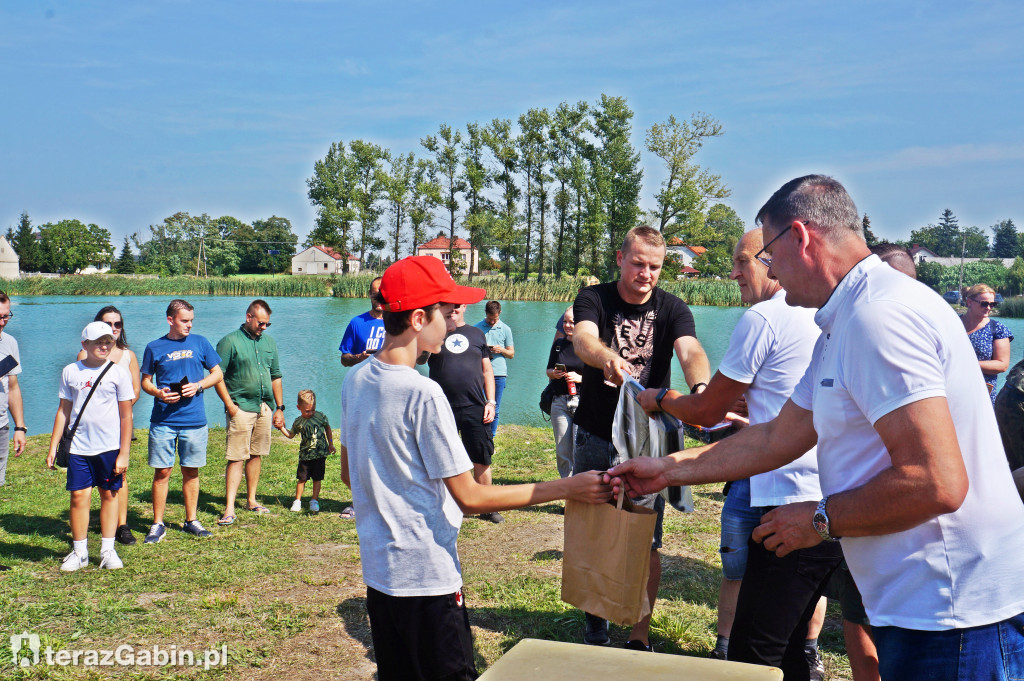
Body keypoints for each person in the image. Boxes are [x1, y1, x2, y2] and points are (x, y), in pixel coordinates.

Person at [608, 175, 1024, 681]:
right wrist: (666, 470)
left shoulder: (879, 317)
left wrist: (820, 519)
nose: (770, 270)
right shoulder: (843, 321)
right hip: (923, 603)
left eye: (768, 255)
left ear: (801, 237)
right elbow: (774, 437)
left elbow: (937, 480)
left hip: (952, 612)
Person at [338, 255, 612, 681]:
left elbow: (347, 474)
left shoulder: (354, 381)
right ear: (416, 318)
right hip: (428, 577)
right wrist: (569, 487)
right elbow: (471, 497)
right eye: (444, 312)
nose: (450, 321)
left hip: (379, 573)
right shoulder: (423, 393)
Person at [637, 228, 833, 679]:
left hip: (785, 501)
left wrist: (662, 397)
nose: (734, 272)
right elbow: (795, 406)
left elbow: (706, 411)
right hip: (831, 498)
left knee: (754, 657)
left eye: (742, 261)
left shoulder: (764, 317)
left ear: (770, 260)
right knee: (791, 644)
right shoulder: (824, 317)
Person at [572, 225, 711, 651]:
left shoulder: (673, 308)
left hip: (647, 440)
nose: (646, 273)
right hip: (596, 432)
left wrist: (702, 391)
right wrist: (608, 358)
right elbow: (583, 340)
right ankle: (597, 621)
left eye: (654, 266)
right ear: (620, 258)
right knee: (597, 530)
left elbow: (690, 350)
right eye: (637, 263)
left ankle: (639, 632)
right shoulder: (594, 297)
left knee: (645, 539)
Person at [47, 322, 135, 571]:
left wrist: (124, 453)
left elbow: (126, 416)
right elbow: (64, 411)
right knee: (78, 496)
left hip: (109, 447)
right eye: (98, 342)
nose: (104, 346)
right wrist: (54, 445)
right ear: (84, 345)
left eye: (108, 341)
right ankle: (79, 551)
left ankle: (108, 550)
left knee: (109, 495)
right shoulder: (70, 371)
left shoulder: (119, 372)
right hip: (78, 447)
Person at [141, 299, 224, 543]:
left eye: (191, 321)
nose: (189, 325)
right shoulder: (154, 347)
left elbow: (217, 373)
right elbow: (145, 381)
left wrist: (198, 386)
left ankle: (192, 520)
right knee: (162, 471)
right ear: (170, 320)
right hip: (163, 420)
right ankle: (158, 524)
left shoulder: (201, 342)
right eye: (184, 321)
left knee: (191, 470)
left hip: (194, 420)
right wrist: (158, 393)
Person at [427, 303, 501, 523]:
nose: (454, 310)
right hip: (442, 407)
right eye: (449, 306)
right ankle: (445, 504)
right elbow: (419, 359)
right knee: (440, 457)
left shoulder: (477, 333)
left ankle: (487, 506)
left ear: (465, 307)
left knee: (481, 456)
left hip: (474, 406)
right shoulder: (434, 333)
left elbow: (487, 370)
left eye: (458, 306)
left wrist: (491, 402)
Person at [215, 299, 285, 523]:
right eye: (261, 323)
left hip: (264, 407)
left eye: (267, 324)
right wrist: (229, 405)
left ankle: (252, 500)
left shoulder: (270, 343)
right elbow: (218, 376)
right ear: (249, 317)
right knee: (236, 457)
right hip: (240, 407)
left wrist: (279, 407)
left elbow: (276, 376)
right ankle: (229, 508)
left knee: (256, 454)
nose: (264, 327)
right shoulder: (229, 342)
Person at [77, 306, 141, 545]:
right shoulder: (83, 356)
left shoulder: (128, 355)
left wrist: (117, 409)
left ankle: (121, 525)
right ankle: (95, 519)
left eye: (118, 324)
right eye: (108, 324)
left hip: (120, 422)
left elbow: (135, 390)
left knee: (119, 473)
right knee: (88, 476)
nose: (113, 329)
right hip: (90, 428)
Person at [277, 389, 334, 513]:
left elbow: (328, 428)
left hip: (320, 454)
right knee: (302, 478)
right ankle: (297, 501)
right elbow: (291, 435)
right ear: (299, 407)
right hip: (305, 455)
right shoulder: (298, 422)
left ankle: (314, 500)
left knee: (317, 478)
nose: (311, 413)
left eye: (313, 409)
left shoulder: (321, 416)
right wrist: (281, 428)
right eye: (307, 411)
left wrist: (331, 444)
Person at [545, 306, 583, 478]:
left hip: (582, 401)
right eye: (565, 322)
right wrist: (554, 374)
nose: (567, 325)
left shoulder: (589, 347)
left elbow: (600, 378)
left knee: (579, 446)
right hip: (559, 401)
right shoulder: (559, 345)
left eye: (572, 322)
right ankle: (567, 487)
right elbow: (548, 370)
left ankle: (580, 485)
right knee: (562, 448)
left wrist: (580, 378)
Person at [960, 283, 1012, 403]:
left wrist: (968, 364)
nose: (988, 308)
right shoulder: (952, 324)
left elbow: (1002, 365)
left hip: (982, 395)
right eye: (984, 303)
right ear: (969, 302)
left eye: (992, 304)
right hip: (951, 389)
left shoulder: (998, 329)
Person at [475, 300, 514, 437]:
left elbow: (511, 354)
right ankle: (479, 433)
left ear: (500, 313)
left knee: (494, 408)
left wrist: (501, 350)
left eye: (495, 319)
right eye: (490, 319)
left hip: (498, 373)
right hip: (479, 372)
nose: (492, 322)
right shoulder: (477, 328)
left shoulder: (506, 329)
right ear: (485, 313)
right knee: (478, 406)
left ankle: (491, 436)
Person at [0, 291, 27, 487]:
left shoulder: (9, 343)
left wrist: (19, 427)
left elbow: (13, 386)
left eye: (5, 316)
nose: (2, 322)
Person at [340, 277, 385, 367]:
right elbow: (344, 359)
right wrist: (359, 358)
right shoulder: (356, 322)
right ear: (369, 294)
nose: (378, 298)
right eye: (375, 294)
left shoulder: (399, 322)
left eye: (382, 295)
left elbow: (420, 360)